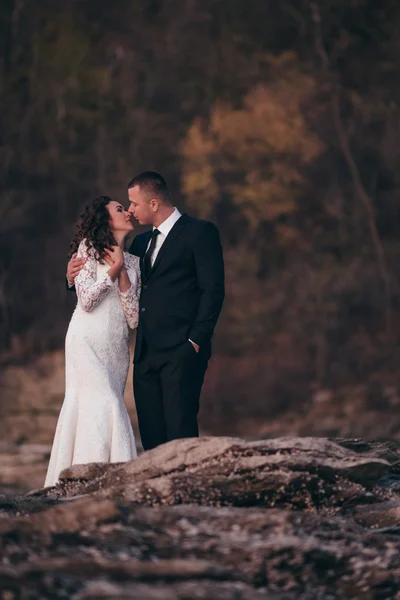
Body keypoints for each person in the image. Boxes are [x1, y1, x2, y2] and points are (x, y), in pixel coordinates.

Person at [67, 172, 225, 451]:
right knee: (152, 437)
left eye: (134, 204)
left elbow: (213, 290)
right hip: (145, 354)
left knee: (180, 433)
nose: (130, 210)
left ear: (153, 203)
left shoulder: (200, 232)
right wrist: (70, 279)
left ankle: (184, 493)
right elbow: (112, 283)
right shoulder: (139, 244)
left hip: (182, 349)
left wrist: (196, 341)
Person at [45, 196, 139, 487]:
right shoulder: (87, 250)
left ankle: (115, 482)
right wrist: (112, 270)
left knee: (109, 400)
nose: (127, 212)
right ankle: (86, 480)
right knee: (101, 403)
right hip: (86, 341)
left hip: (116, 347)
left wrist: (123, 271)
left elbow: (133, 318)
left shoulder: (134, 262)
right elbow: (86, 301)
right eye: (120, 209)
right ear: (106, 220)